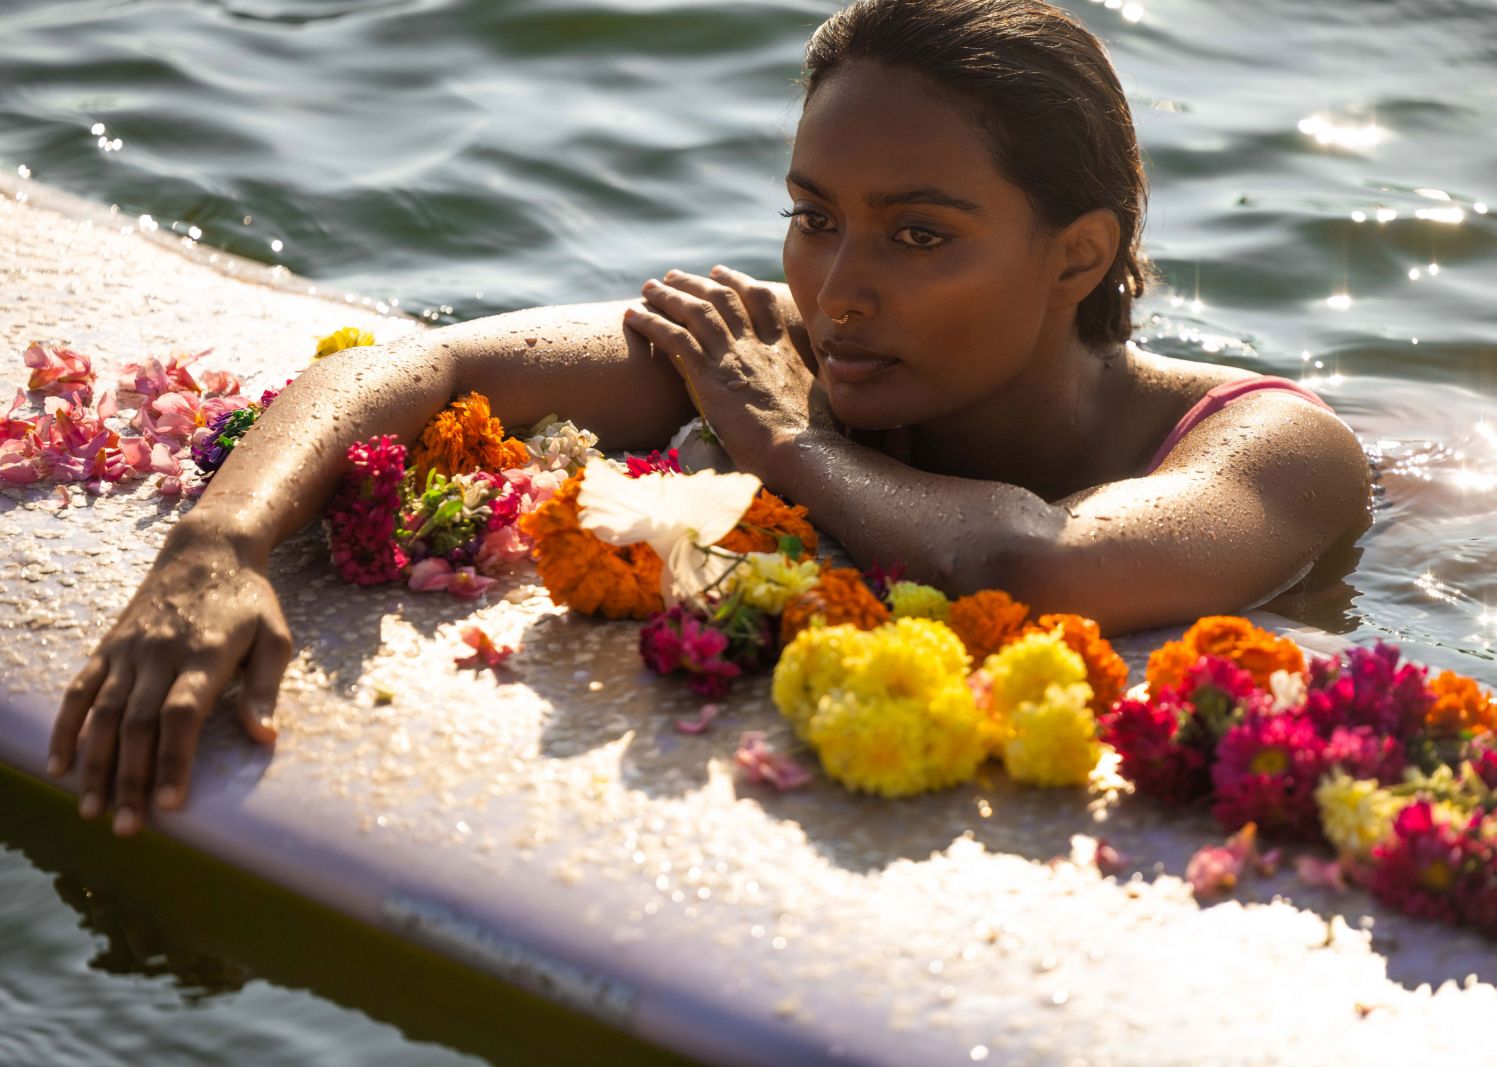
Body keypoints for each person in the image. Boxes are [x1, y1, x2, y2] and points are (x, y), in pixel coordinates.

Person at [47, 0, 1369, 836]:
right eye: (814, 218)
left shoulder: (1274, 451)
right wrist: (215, 553)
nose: (840, 291)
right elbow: (424, 369)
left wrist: (792, 443)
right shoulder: (777, 350)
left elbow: (1039, 564)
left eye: (918, 234)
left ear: (1078, 255)